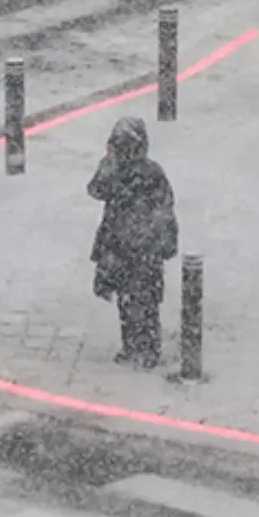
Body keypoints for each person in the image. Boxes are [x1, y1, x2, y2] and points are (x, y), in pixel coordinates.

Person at [87, 116, 178, 369]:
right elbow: (166, 207)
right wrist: (166, 240)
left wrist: (108, 160)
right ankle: (148, 348)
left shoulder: (117, 172)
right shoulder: (152, 172)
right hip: (145, 248)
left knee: (128, 301)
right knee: (146, 301)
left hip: (122, 246)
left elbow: (96, 189)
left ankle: (132, 348)